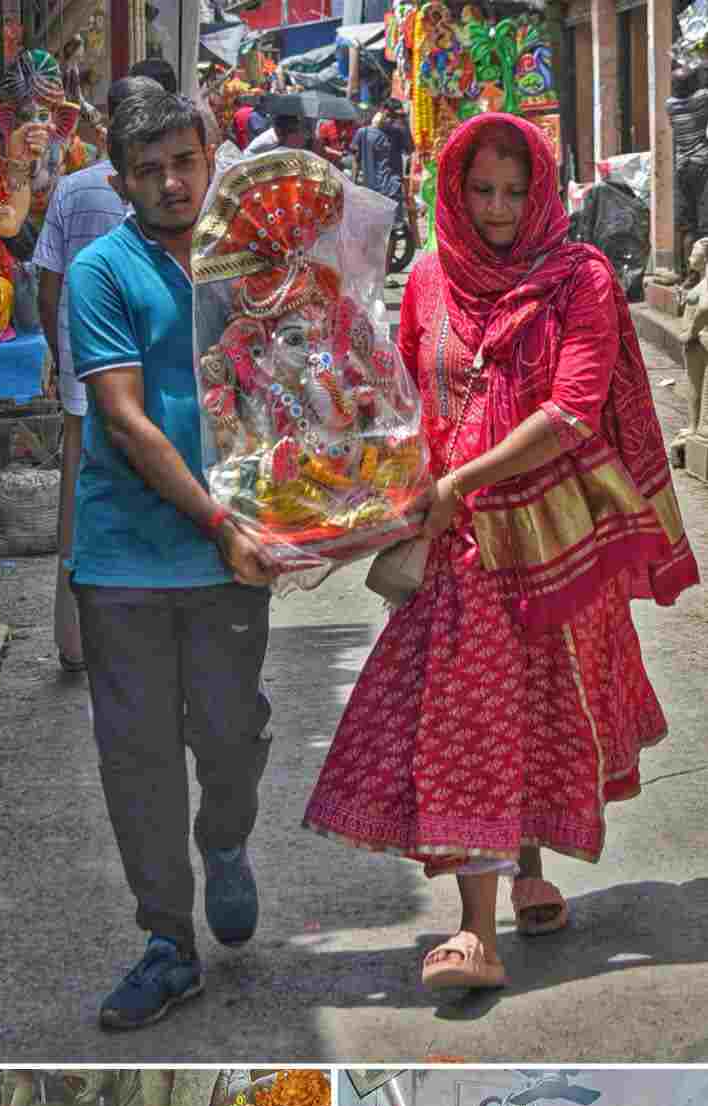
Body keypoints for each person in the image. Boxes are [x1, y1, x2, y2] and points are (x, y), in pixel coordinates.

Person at [304, 114, 699, 992]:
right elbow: (403, 396)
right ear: (452, 188)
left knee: (538, 708)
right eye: (482, 190)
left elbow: (570, 410)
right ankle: (476, 933)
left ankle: (528, 871)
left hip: (555, 539)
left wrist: (456, 483)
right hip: (464, 551)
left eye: (516, 192)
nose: (497, 209)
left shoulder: (580, 277)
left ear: (543, 192)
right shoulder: (430, 282)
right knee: (472, 717)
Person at [66, 90, 275, 1030]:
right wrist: (218, 522)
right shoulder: (101, 271)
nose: (171, 182)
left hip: (235, 554)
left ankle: (225, 837)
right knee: (138, 755)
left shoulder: (251, 258)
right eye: (148, 170)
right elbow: (122, 413)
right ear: (119, 181)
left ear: (211, 157)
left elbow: (307, 373)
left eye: (184, 161)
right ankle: (166, 942)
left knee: (230, 735)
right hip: (128, 556)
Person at [35, 74, 163, 673]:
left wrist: (60, 352)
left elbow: (49, 279)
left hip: (86, 371)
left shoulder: (73, 188)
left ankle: (75, 641)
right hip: (146, 372)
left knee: (79, 501)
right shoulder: (175, 185)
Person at [351, 99, 412, 271]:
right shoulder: (363, 133)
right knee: (370, 234)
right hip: (371, 191)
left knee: (389, 233)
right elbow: (356, 160)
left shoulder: (398, 133)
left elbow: (410, 149)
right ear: (383, 111)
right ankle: (369, 273)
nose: (393, 119)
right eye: (392, 115)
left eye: (397, 116)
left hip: (390, 190)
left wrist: (404, 122)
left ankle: (382, 276)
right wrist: (355, 185)